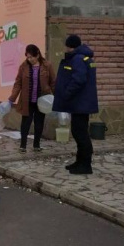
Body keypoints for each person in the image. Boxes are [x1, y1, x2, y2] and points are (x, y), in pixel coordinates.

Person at [53, 35, 98, 175]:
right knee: (79, 132)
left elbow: (78, 79)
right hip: (81, 103)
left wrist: (66, 94)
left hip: (80, 103)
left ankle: (85, 165)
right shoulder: (84, 57)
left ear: (69, 46)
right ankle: (80, 161)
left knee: (80, 133)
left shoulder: (78, 58)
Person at [9, 44, 56, 153]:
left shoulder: (47, 66)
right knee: (25, 123)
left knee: (39, 124)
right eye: (28, 57)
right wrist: (12, 98)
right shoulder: (23, 66)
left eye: (32, 57)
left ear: (38, 55)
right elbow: (18, 83)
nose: (29, 59)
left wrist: (56, 97)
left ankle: (36, 145)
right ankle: (23, 145)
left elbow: (53, 83)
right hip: (27, 100)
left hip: (42, 101)